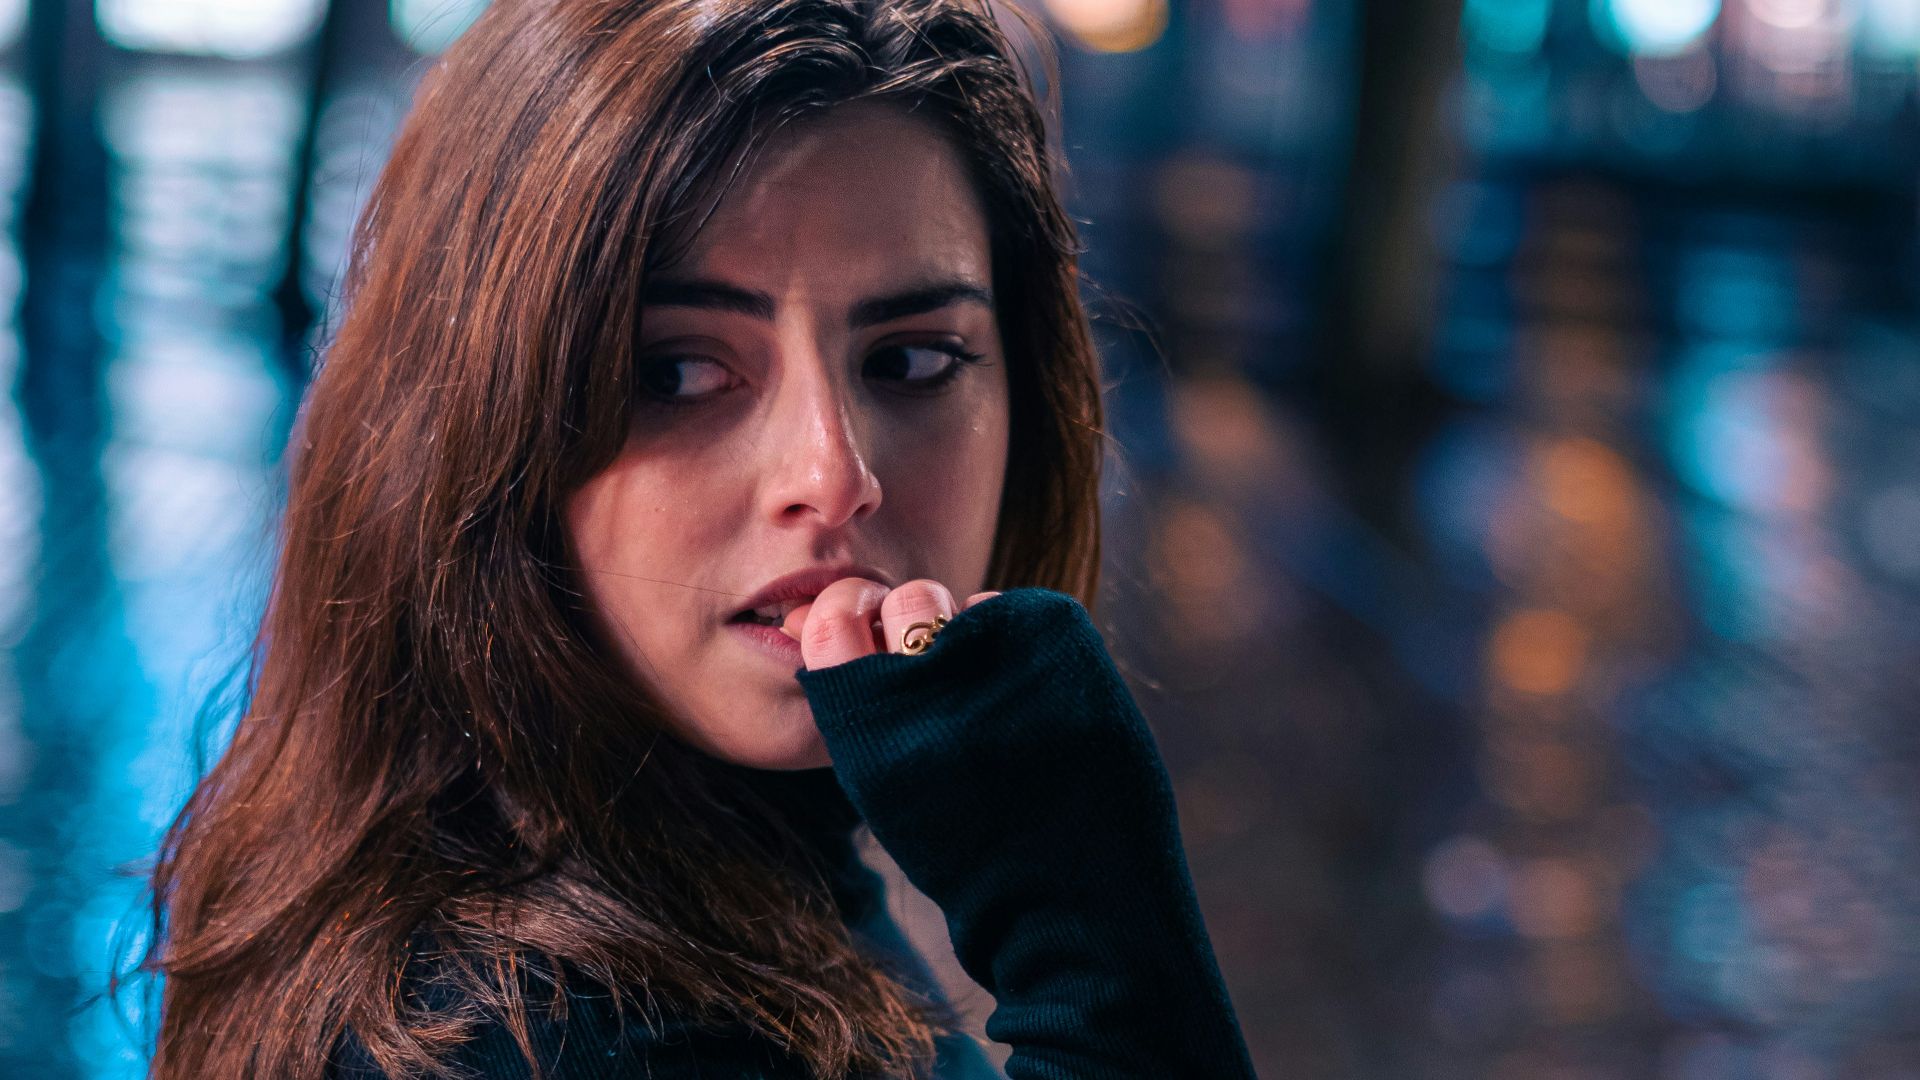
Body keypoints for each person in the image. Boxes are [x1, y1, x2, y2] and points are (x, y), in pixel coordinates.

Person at [136, 0, 1259, 1076]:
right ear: (479, 418)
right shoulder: (546, 1035)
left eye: (912, 360)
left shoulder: (737, 854)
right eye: (677, 372)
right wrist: (1098, 947)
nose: (835, 478)